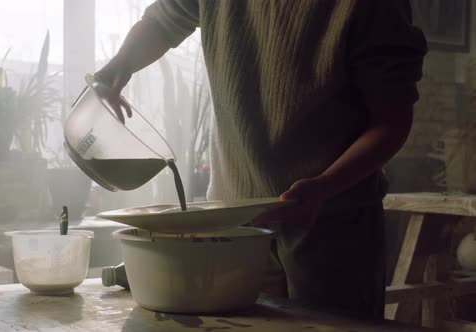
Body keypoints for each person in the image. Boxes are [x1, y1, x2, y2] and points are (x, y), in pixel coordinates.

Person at [95, 0, 427, 320]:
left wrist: (324, 188)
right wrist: (119, 66)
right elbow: (163, 21)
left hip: (332, 229)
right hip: (232, 225)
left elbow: (390, 122)